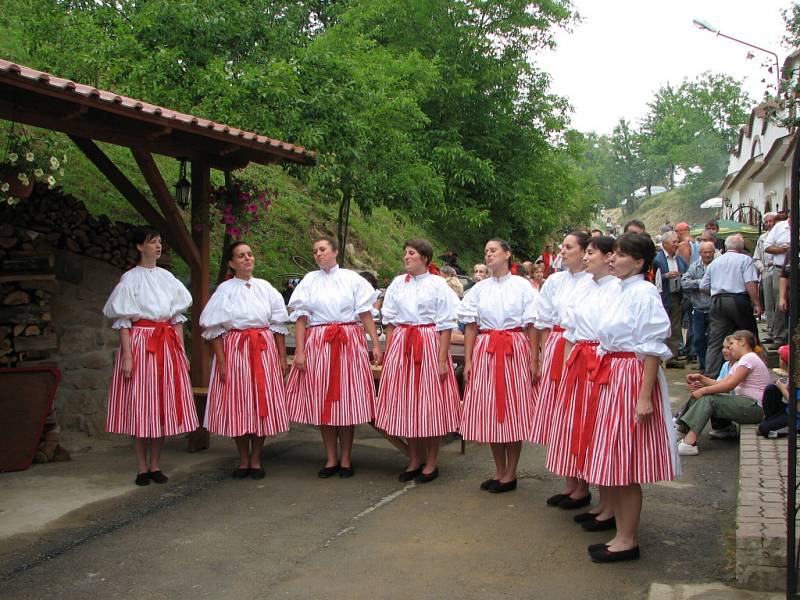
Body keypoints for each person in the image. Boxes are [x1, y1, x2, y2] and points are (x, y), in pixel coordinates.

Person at [582, 232, 678, 563]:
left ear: (638, 261)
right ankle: (621, 534)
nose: (612, 258)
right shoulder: (620, 290)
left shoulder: (644, 293)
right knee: (615, 459)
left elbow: (652, 348)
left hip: (630, 377)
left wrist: (644, 396)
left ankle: (627, 539)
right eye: (613, 254)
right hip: (613, 375)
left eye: (620, 255)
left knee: (626, 461)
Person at [103, 229, 199, 486]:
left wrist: (182, 352)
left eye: (159, 241)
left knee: (161, 404)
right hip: (142, 343)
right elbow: (124, 322)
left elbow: (177, 318)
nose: (157, 246)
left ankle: (155, 464)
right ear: (139, 247)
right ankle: (141, 466)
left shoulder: (168, 278)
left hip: (166, 343)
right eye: (151, 242)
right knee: (141, 404)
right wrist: (127, 356)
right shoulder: (129, 279)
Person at [286, 236, 383, 478]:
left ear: (335, 252)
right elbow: (301, 318)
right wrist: (299, 350)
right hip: (319, 341)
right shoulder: (309, 280)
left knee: (346, 401)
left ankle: (347, 459)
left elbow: (365, 313)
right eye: (315, 250)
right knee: (323, 400)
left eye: (322, 249)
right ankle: (330, 458)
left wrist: (375, 344)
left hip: (348, 341)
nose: (318, 254)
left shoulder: (352, 279)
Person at [545, 236, 619, 530]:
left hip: (599, 361)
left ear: (608, 257)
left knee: (596, 429)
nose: (586, 258)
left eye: (590, 252)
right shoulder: (586, 285)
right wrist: (565, 369)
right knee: (577, 426)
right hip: (579, 358)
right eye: (585, 252)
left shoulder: (616, 288)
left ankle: (608, 504)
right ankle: (586, 492)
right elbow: (570, 330)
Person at [199, 241, 290, 479]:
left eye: (249, 254)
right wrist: (221, 361)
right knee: (238, 404)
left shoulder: (265, 288)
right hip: (236, 350)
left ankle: (257, 459)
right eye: (241, 256)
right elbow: (215, 329)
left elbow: (278, 325)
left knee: (262, 403)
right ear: (231, 263)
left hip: (263, 349)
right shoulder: (225, 290)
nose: (247, 258)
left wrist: (281, 357)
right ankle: (243, 459)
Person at [375, 238, 462, 483]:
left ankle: (432, 461)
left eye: (411, 253)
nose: (406, 257)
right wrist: (392, 352)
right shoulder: (396, 284)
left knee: (429, 405)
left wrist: (442, 359)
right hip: (403, 344)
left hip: (427, 342)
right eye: (405, 253)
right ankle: (414, 459)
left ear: (424, 258)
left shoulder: (437, 284)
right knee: (407, 404)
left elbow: (446, 325)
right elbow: (390, 322)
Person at [459, 238, 538, 493]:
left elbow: (532, 324)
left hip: (514, 348)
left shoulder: (523, 286)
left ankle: (511, 473)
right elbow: (471, 326)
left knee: (513, 411)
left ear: (507, 254)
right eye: (486, 252)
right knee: (490, 411)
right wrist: (469, 360)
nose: (489, 254)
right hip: (487, 349)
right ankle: (499, 470)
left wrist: (535, 359)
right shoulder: (479, 289)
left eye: (493, 250)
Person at [529, 231, 594, 507]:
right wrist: (542, 356)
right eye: (562, 246)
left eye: (569, 247)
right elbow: (542, 321)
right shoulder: (554, 281)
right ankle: (570, 482)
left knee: (579, 413)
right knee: (561, 416)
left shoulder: (594, 281)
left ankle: (584, 483)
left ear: (584, 251)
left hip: (580, 348)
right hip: (558, 345)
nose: (562, 250)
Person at [676, 330, 769, 455]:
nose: (729, 347)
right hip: (748, 405)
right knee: (704, 395)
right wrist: (701, 378)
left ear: (742, 342)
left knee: (709, 398)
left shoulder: (749, 358)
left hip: (755, 407)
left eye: (731, 343)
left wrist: (704, 390)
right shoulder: (742, 361)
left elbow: (729, 386)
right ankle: (681, 429)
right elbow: (721, 383)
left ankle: (689, 443)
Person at [700, 234, 761, 378]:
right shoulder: (745, 259)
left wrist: (714, 294)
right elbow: (750, 283)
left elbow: (703, 286)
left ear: (726, 247)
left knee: (715, 341)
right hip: (737, 299)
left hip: (717, 301)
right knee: (750, 336)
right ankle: (754, 371)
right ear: (741, 248)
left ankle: (710, 376)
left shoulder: (715, 262)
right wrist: (757, 303)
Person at [652, 231, 687, 367]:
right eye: (674, 242)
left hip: (676, 296)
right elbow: (654, 278)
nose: (676, 244)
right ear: (665, 243)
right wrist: (666, 276)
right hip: (662, 297)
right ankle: (657, 358)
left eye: (677, 242)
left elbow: (686, 271)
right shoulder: (657, 259)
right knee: (661, 328)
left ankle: (672, 357)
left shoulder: (678, 259)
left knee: (675, 328)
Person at [681, 241, 715, 372]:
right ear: (700, 253)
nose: (707, 255)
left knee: (713, 340)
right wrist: (701, 283)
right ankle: (703, 366)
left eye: (710, 252)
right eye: (704, 252)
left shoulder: (718, 265)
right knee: (699, 340)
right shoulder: (694, 267)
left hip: (714, 309)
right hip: (698, 309)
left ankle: (711, 368)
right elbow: (684, 283)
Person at [762, 212, 790, 348]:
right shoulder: (779, 228)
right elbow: (766, 247)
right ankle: (779, 337)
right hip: (780, 269)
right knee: (781, 301)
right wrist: (781, 249)